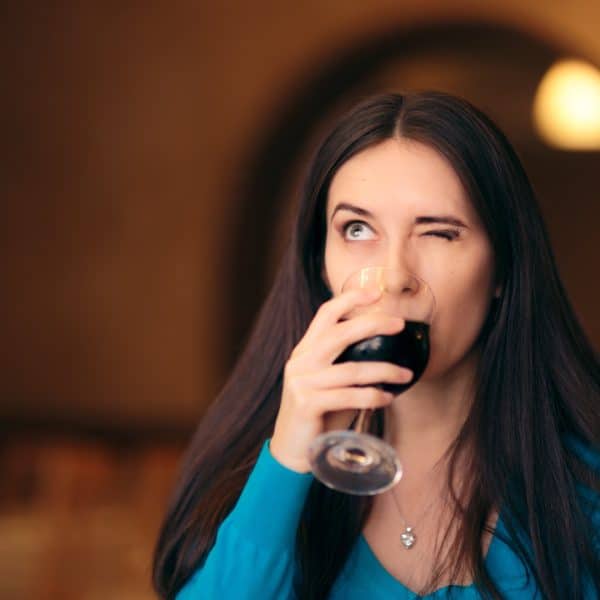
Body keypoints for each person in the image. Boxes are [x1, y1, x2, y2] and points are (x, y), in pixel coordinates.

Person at [153, 92, 600, 599]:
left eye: (439, 233)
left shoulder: (583, 490)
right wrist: (288, 459)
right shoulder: (246, 475)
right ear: (321, 262)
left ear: (501, 268)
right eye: (357, 229)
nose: (393, 278)